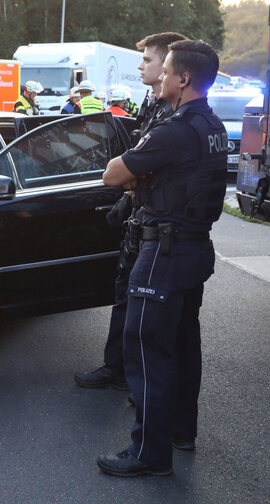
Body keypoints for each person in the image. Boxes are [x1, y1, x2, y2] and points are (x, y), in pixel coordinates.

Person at [97, 40, 227, 477]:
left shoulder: (173, 128)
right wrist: (147, 177)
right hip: (194, 248)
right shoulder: (212, 125)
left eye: (166, 68)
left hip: (164, 251)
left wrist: (139, 178)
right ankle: (178, 432)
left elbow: (112, 173)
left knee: (147, 347)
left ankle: (148, 454)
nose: (162, 75)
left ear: (183, 79)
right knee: (184, 343)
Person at [74, 32, 188, 394]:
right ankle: (118, 368)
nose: (141, 66)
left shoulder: (174, 113)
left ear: (171, 67)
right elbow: (135, 160)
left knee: (145, 310)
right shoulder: (153, 102)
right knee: (125, 295)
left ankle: (133, 381)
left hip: (159, 224)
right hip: (140, 217)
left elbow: (140, 169)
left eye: (149, 61)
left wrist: (132, 179)